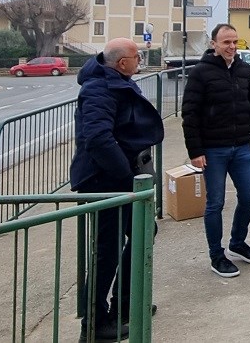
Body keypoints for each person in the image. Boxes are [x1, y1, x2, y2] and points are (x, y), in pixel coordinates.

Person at [70, 37, 164, 342]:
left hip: (119, 177)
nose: (139, 61)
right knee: (106, 251)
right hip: (103, 180)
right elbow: (97, 138)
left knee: (142, 232)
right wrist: (127, 178)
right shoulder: (98, 88)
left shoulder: (114, 80)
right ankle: (95, 324)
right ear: (122, 63)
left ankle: (125, 306)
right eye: (136, 57)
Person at [181, 23, 250, 278]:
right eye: (226, 42)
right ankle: (216, 255)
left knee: (249, 197)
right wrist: (195, 150)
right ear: (214, 44)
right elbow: (190, 113)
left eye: (234, 42)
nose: (231, 47)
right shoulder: (200, 73)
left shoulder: (243, 68)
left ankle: (237, 243)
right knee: (215, 203)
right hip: (213, 150)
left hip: (241, 147)